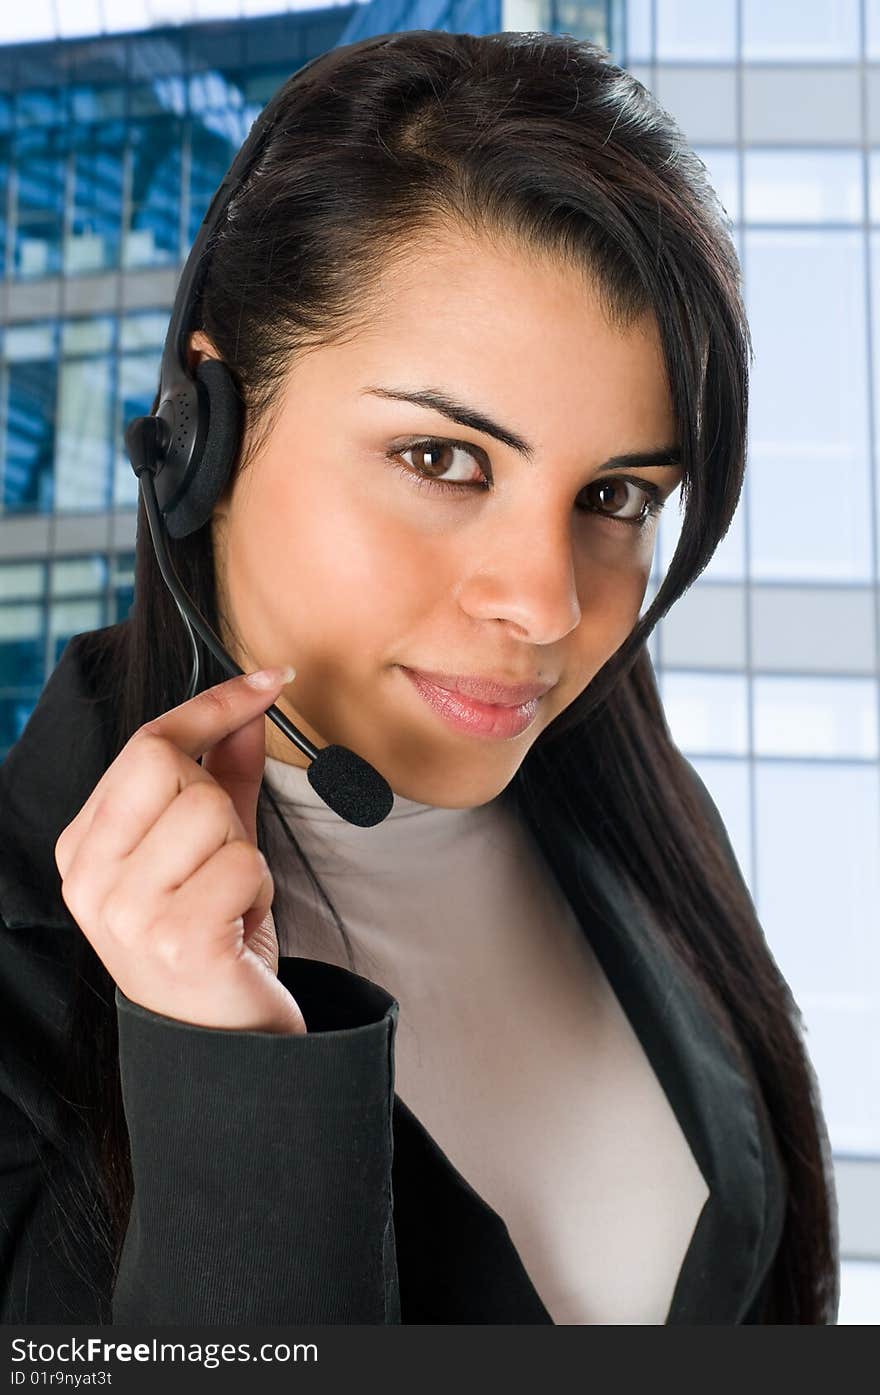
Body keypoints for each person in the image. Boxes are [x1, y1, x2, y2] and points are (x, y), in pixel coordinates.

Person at [0, 29, 838, 1325]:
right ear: (200, 439)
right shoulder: (24, 952)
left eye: (614, 495)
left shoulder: (629, 808)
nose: (546, 603)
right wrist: (226, 1079)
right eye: (444, 461)